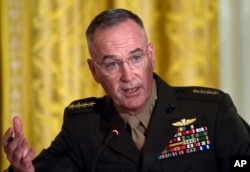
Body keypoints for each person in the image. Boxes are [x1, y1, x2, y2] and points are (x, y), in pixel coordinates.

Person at [2, 8, 250, 172]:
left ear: (151, 56)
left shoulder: (211, 112)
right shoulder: (83, 126)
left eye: (135, 58)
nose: (128, 75)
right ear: (94, 71)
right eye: (112, 64)